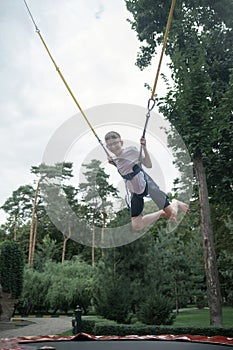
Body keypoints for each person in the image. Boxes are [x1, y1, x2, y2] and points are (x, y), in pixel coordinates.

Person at [105, 131, 189, 231]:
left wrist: (144, 147)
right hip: (135, 192)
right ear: (107, 147)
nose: (113, 147)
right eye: (110, 145)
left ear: (121, 142)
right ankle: (160, 214)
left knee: (172, 213)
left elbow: (148, 165)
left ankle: (176, 203)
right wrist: (114, 164)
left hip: (148, 186)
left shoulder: (132, 151)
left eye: (115, 143)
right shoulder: (114, 160)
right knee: (137, 226)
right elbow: (125, 170)